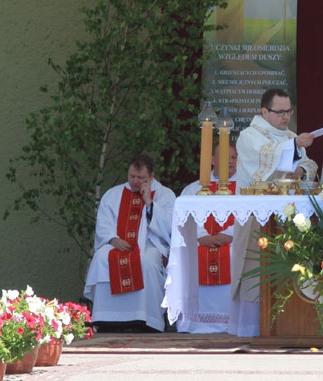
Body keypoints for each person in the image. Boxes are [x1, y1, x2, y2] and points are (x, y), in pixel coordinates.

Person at [231, 88, 318, 337]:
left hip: (288, 215)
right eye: (280, 112)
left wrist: (301, 171)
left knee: (290, 268)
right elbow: (264, 158)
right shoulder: (249, 135)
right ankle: (251, 329)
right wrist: (293, 146)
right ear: (264, 111)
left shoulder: (290, 135)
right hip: (256, 215)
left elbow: (307, 163)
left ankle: (289, 324)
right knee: (255, 267)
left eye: (288, 111)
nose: (285, 117)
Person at [84, 154, 176, 332]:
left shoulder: (165, 195)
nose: (135, 181)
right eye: (131, 176)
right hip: (117, 243)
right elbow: (104, 224)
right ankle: (106, 318)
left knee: (146, 261)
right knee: (102, 258)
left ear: (151, 176)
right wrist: (113, 239)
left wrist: (149, 203)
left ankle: (146, 319)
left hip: (150, 244)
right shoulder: (113, 195)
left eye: (140, 178)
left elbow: (169, 227)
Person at [177, 141, 238, 333]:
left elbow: (249, 218)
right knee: (188, 257)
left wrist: (228, 234)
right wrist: (201, 236)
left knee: (236, 256)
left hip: (233, 243)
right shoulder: (194, 189)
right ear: (212, 160)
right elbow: (183, 218)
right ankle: (195, 322)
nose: (230, 162)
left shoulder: (245, 188)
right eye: (225, 157)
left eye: (234, 157)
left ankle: (234, 321)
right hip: (199, 243)